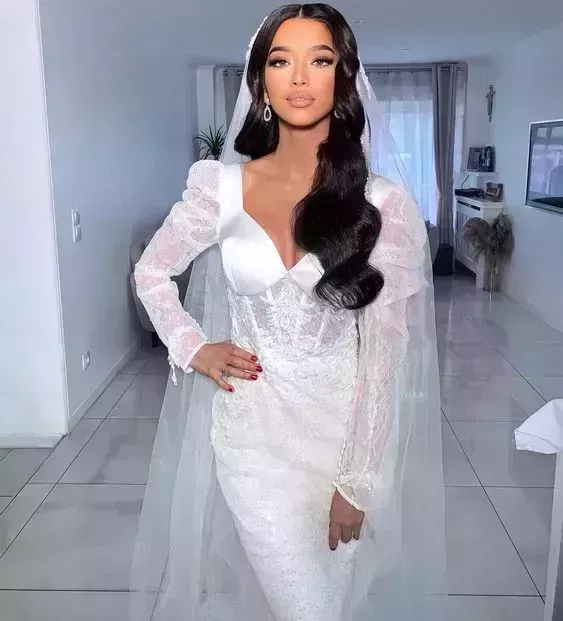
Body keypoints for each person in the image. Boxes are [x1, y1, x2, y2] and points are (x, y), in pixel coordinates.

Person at [130, 4, 446, 621]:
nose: (299, 77)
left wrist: (357, 482)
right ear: (260, 82)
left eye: (319, 60)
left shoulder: (383, 206)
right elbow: (151, 271)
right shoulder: (219, 189)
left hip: (344, 443)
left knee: (332, 602)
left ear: (343, 77)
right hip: (253, 446)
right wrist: (193, 346)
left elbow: (384, 359)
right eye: (281, 61)